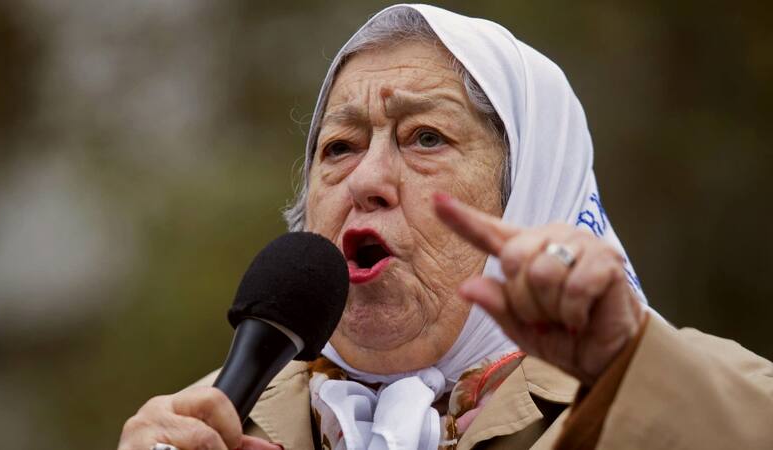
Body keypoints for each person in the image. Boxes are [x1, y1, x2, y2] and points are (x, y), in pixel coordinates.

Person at [118, 4, 773, 450]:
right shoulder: (203, 424)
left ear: (532, 196)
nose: (367, 180)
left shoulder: (668, 394)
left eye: (425, 137)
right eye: (339, 147)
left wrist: (629, 371)